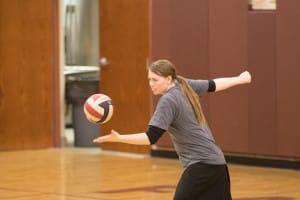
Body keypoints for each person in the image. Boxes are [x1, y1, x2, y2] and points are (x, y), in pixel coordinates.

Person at [93, 59, 251, 200]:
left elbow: (151, 137)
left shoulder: (168, 100)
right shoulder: (183, 84)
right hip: (217, 164)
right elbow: (214, 84)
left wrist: (120, 138)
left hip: (201, 166)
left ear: (168, 79)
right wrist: (240, 79)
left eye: (155, 80)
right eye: (149, 79)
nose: (151, 84)